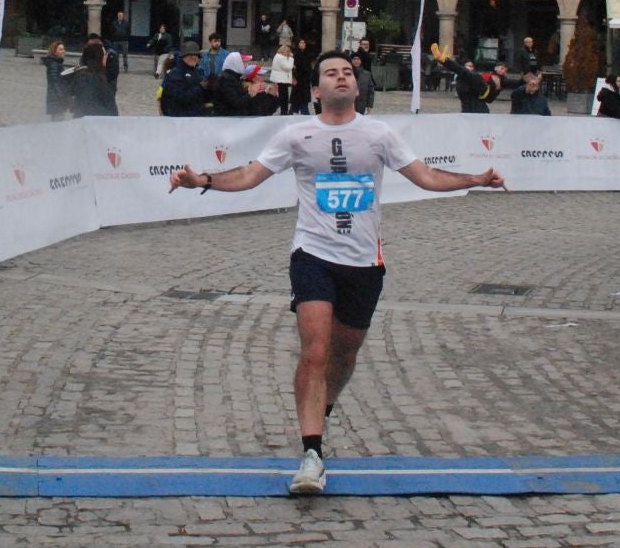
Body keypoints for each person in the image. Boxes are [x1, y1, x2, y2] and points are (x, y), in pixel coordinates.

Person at [167, 50, 507, 496]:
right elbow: (251, 175)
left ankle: (320, 408)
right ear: (316, 89)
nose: (341, 77)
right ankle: (312, 455)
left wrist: (476, 180)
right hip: (313, 254)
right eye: (331, 73)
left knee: (345, 354)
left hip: (365, 261)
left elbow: (424, 175)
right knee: (316, 350)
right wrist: (203, 180)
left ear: (356, 85)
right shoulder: (297, 135)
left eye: (347, 72)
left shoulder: (379, 134)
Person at [65, 38, 119, 117]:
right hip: (94, 124)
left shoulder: (99, 75)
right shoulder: (86, 78)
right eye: (104, 54)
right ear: (98, 58)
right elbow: (90, 107)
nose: (106, 57)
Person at [160, 40, 208, 117]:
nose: (193, 57)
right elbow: (180, 98)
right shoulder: (175, 74)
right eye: (189, 55)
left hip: (196, 118)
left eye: (196, 55)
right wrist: (200, 87)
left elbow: (202, 98)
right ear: (183, 56)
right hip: (180, 119)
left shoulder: (198, 72)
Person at [42, 40, 71, 121]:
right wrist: (62, 97)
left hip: (56, 99)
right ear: (54, 52)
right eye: (60, 49)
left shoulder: (56, 63)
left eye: (63, 49)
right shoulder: (54, 64)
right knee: (58, 124)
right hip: (56, 100)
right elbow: (55, 82)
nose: (63, 51)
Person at [289, 37, 315, 115]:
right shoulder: (296, 54)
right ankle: (305, 116)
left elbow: (308, 66)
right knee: (299, 101)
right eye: (301, 43)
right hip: (298, 80)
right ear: (298, 44)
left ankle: (293, 114)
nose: (303, 44)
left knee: (300, 102)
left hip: (305, 81)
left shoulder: (306, 54)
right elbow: (296, 67)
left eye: (304, 43)